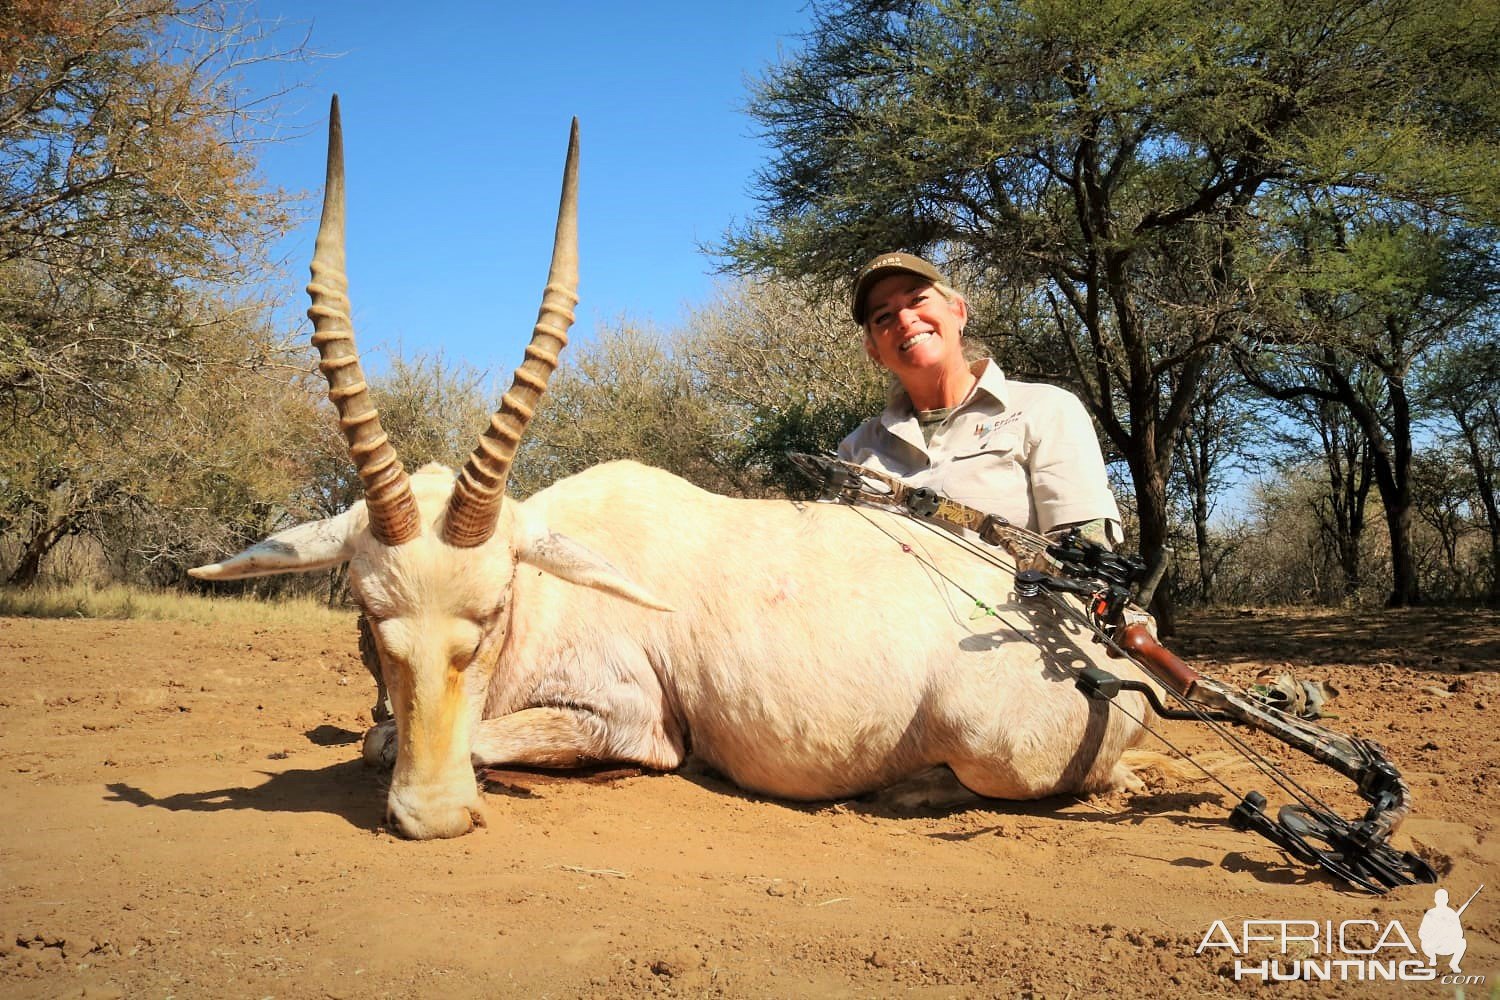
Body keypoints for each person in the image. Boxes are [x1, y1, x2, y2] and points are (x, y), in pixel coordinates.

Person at [839, 252, 1122, 548]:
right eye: (883, 316)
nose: (905, 319)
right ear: (875, 353)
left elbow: (1085, 548)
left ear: (958, 312)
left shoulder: (1046, 408)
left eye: (917, 300)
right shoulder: (856, 448)